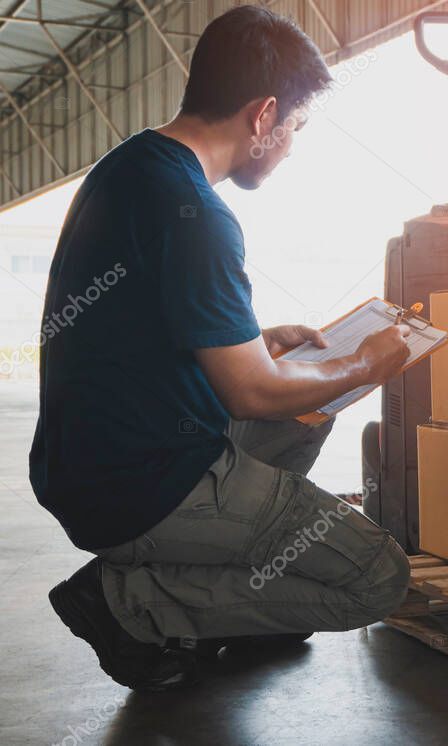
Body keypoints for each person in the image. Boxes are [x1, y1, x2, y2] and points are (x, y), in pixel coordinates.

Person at [30, 5, 412, 692]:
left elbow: (140, 327)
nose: (292, 142)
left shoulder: (132, 169)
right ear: (264, 115)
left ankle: (222, 597)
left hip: (86, 467)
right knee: (379, 577)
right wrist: (367, 364)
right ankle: (129, 606)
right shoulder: (200, 216)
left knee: (307, 405)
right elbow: (252, 393)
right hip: (143, 488)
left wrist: (256, 341)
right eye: (295, 126)